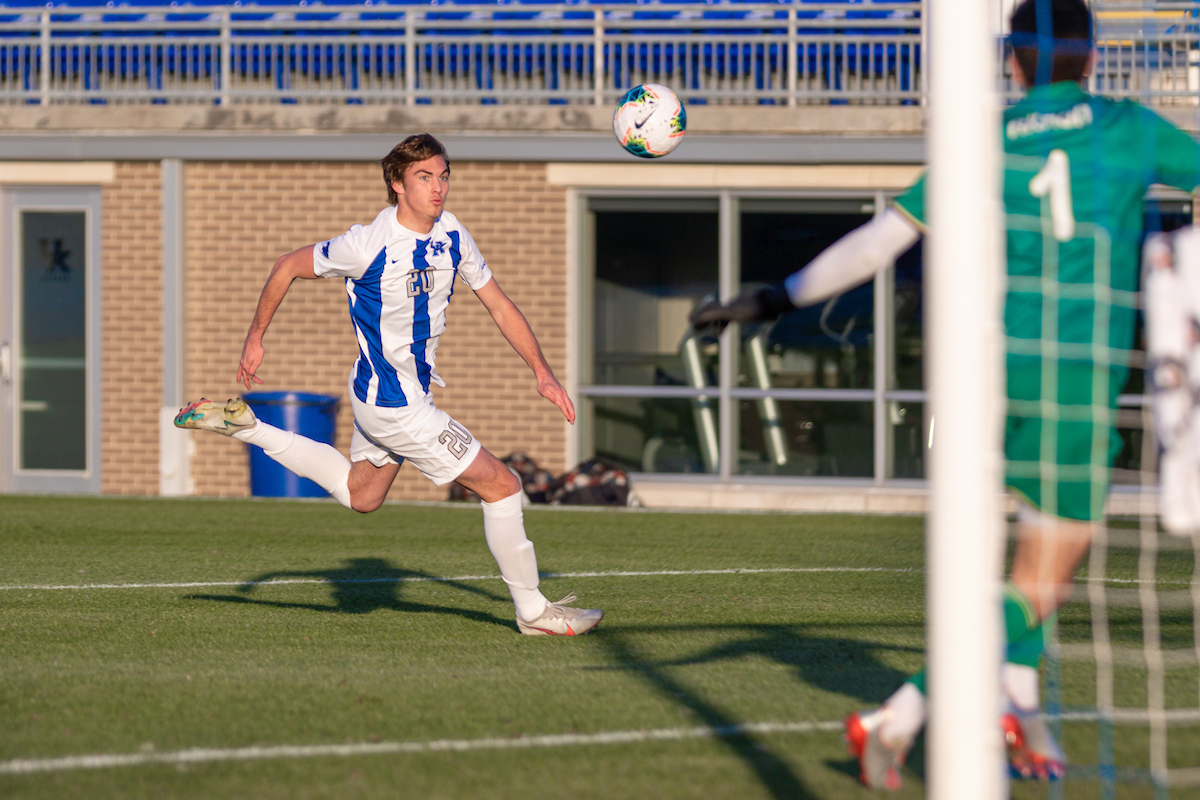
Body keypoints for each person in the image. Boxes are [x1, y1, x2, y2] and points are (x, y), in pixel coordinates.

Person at [691, 0, 1200, 789]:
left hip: (996, 370)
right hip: (1077, 375)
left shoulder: (985, 141)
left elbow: (882, 240)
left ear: (1013, 63)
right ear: (1094, 58)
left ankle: (1020, 714)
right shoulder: (1128, 128)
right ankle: (899, 715)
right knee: (1048, 572)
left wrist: (775, 298)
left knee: (1033, 559)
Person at [176, 133, 602, 637]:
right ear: (397, 184)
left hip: (379, 393)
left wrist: (542, 371)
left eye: (443, 176)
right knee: (503, 485)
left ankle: (249, 428)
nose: (438, 188)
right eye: (424, 177)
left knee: (362, 495)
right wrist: (255, 337)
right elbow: (286, 265)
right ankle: (534, 613)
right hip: (396, 406)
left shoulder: (452, 234)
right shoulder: (367, 245)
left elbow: (499, 304)